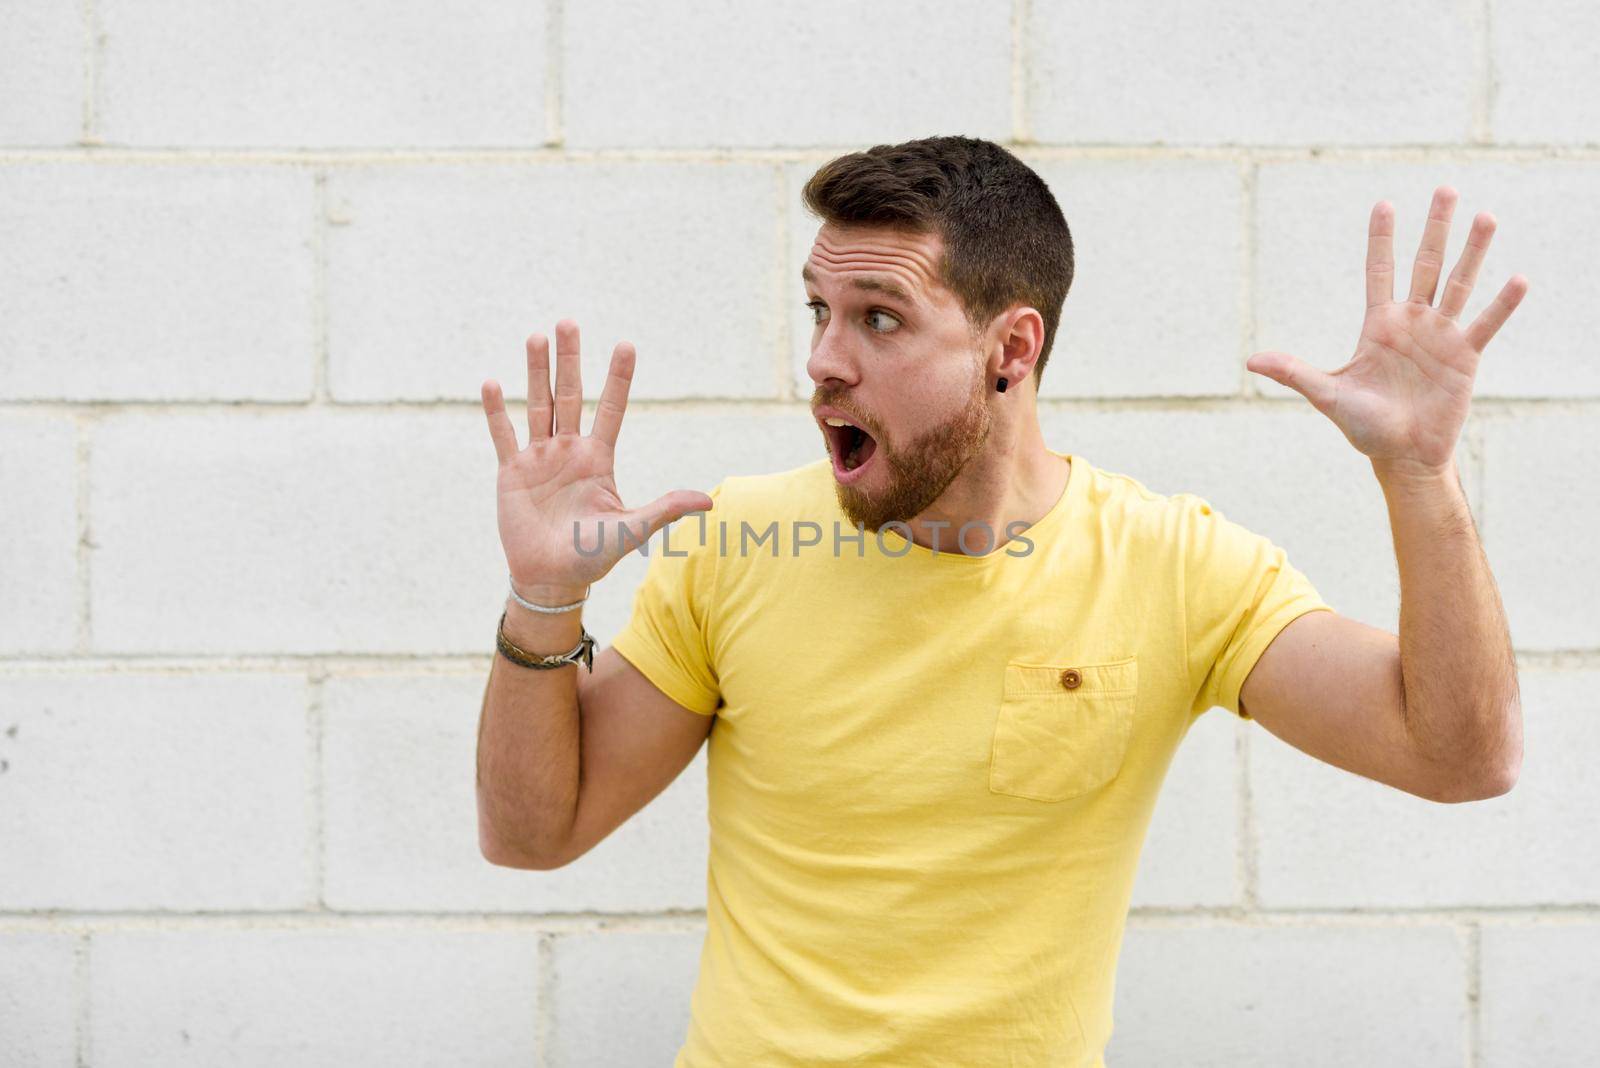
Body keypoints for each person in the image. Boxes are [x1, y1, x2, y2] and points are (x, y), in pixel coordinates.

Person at [474, 135, 1527, 1067]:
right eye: (819, 311)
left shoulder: (1174, 564)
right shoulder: (737, 542)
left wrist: (1418, 476)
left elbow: (1458, 757)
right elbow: (534, 836)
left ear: (1009, 352)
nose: (822, 363)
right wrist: (542, 599)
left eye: (878, 319)